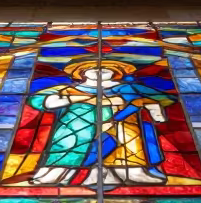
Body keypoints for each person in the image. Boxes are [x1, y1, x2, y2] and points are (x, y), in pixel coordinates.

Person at [28, 59, 172, 186]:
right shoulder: (69, 89)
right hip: (77, 125)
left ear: (116, 72)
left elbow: (161, 99)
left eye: (106, 68)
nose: (99, 70)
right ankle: (55, 174)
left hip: (121, 122)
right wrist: (76, 98)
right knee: (69, 143)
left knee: (128, 137)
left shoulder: (128, 88)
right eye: (92, 68)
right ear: (82, 73)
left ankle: (132, 171)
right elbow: (40, 101)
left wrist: (148, 105)